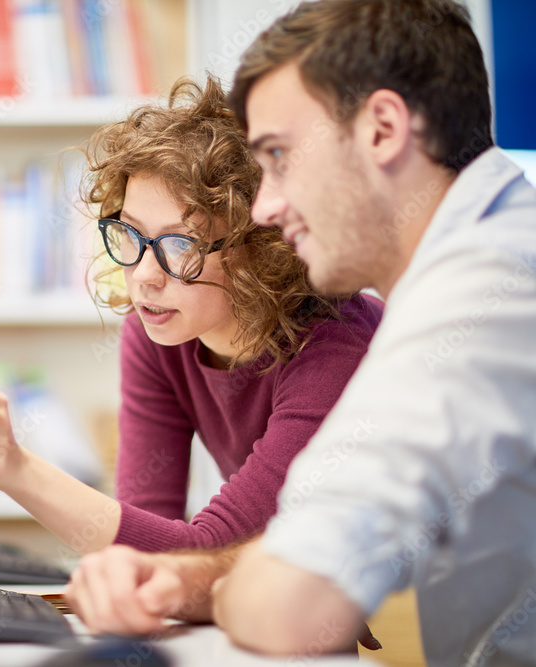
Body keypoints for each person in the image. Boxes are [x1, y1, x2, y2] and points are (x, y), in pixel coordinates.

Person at [65, 1, 536, 664]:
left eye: (280, 157)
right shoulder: (493, 255)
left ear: (382, 130)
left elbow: (295, 604)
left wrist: (232, 582)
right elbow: (310, 545)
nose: (264, 207)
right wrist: (197, 575)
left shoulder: (479, 295)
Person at [0, 75, 382, 556]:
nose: (145, 276)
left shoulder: (334, 349)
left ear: (261, 250)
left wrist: (18, 470)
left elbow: (203, 551)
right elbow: (147, 542)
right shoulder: (158, 329)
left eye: (179, 243)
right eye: (131, 235)